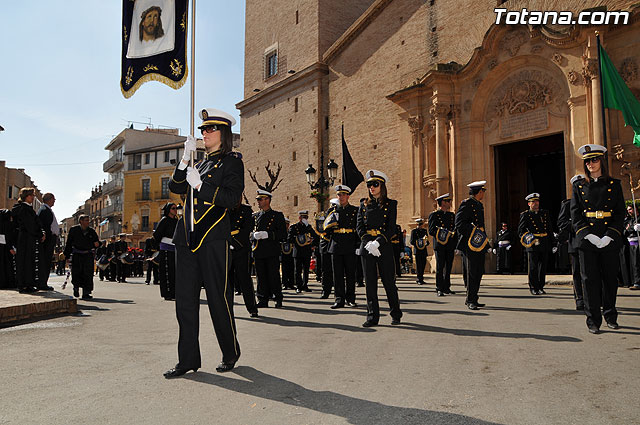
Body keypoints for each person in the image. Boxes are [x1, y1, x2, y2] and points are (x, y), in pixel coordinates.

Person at [164, 108, 244, 378]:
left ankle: (230, 351)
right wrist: (185, 159)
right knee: (184, 302)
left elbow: (231, 199)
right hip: (186, 239)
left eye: (210, 130)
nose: (205, 134)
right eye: (203, 130)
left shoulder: (232, 163)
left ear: (223, 134)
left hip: (213, 238)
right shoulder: (198, 165)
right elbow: (175, 188)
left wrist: (201, 187)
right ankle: (187, 360)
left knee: (218, 299)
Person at [570, 144, 625, 334]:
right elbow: (575, 215)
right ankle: (593, 319)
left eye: (594, 160)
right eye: (587, 161)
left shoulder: (614, 185)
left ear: (601, 161)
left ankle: (610, 315)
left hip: (608, 237)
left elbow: (619, 214)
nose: (591, 164)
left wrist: (610, 235)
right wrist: (588, 235)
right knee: (589, 280)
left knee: (610, 279)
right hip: (587, 239)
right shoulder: (579, 186)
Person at [356, 170, 402, 327]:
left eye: (375, 184)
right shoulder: (363, 205)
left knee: (389, 281)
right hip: (367, 246)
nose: (372, 187)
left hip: (383, 246)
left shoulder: (391, 204)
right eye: (369, 185)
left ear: (382, 186)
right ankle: (372, 316)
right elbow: (359, 227)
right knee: (370, 283)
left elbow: (391, 228)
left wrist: (378, 242)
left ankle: (396, 313)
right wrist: (368, 243)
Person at [455, 181, 489, 310]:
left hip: (479, 242)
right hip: (470, 243)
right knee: (472, 272)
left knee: (479, 271)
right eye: (483, 192)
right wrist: (472, 231)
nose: (483, 194)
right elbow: (459, 223)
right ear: (479, 192)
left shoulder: (479, 205)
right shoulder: (466, 204)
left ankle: (474, 297)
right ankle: (470, 300)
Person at [325, 185, 359, 309]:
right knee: (337, 274)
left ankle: (351, 299)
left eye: (343, 195)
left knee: (350, 274)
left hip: (350, 244)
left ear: (348, 196)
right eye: (339, 195)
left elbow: (358, 229)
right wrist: (332, 225)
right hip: (336, 244)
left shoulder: (355, 211)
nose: (341, 197)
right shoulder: (332, 211)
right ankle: (339, 299)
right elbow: (325, 231)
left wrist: (358, 245)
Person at [252, 190, 287, 308]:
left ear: (267, 200)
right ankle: (262, 299)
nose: (258, 201)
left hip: (271, 250)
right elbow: (249, 231)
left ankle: (277, 297)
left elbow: (283, 234)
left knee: (273, 275)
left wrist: (268, 234)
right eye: (258, 199)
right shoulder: (256, 216)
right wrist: (253, 235)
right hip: (258, 250)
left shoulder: (277, 216)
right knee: (260, 276)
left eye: (260, 199)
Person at [557, 174, 585, 310]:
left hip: (591, 242)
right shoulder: (568, 204)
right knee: (578, 273)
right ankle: (580, 298)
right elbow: (561, 222)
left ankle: (595, 298)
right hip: (575, 243)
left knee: (592, 272)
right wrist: (578, 226)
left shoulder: (590, 201)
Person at [518, 193, 554, 295]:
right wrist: (529, 239)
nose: (536, 204)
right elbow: (521, 231)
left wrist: (553, 242)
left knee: (542, 266)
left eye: (537, 201)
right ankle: (533, 287)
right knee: (533, 266)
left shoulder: (544, 213)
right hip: (533, 243)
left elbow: (549, 228)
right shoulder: (525, 215)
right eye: (533, 202)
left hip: (544, 241)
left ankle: (541, 286)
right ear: (529, 204)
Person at [11, 188, 44, 294]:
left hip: (29, 237)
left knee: (29, 261)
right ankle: (23, 285)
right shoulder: (23, 208)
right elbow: (30, 225)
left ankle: (29, 284)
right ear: (26, 196)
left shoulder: (26, 208)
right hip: (25, 238)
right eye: (31, 195)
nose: (33, 197)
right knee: (24, 261)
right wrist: (40, 234)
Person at [229, 200, 258, 317]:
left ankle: (252, 308)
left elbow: (247, 229)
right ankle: (228, 309)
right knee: (228, 282)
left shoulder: (246, 210)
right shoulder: (224, 209)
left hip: (241, 249)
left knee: (245, 279)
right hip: (227, 248)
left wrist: (235, 242)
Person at [63, 215, 100, 299]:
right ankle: (76, 288)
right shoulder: (74, 230)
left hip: (88, 255)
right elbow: (69, 243)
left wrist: (97, 244)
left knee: (88, 274)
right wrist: (67, 255)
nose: (88, 222)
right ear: (81, 221)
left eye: (88, 220)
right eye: (86, 220)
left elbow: (97, 242)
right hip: (77, 255)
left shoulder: (91, 231)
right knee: (76, 273)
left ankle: (86, 292)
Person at [428, 193, 457, 296]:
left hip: (449, 245)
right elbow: (431, 230)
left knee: (448, 266)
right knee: (440, 267)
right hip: (440, 244)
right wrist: (443, 233)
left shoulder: (451, 216)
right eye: (448, 201)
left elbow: (455, 229)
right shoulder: (434, 215)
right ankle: (439, 287)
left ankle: (447, 287)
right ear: (443, 203)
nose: (450, 203)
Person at [153, 202, 178, 301]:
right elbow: (157, 235)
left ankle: (174, 292)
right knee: (167, 272)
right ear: (168, 210)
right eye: (173, 208)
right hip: (166, 248)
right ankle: (167, 293)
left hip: (175, 248)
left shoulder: (177, 221)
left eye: (176, 208)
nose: (175, 210)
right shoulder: (164, 221)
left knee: (174, 272)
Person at [289, 210, 317, 294]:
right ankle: (298, 286)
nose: (304, 219)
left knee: (306, 270)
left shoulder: (308, 227)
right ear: (299, 218)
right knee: (297, 270)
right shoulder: (294, 227)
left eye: (306, 217)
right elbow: (289, 238)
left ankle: (305, 285)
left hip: (306, 251)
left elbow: (315, 236)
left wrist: (312, 243)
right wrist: (298, 239)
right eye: (303, 217)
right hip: (298, 251)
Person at [36, 193, 58, 290]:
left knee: (46, 261)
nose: (54, 201)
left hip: (49, 239)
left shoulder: (46, 210)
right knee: (45, 261)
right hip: (47, 240)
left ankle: (43, 282)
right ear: (49, 199)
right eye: (53, 199)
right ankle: (42, 283)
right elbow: (44, 226)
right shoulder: (45, 211)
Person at [0, 209, 17, 288]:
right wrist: (10, 247)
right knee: (8, 266)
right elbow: (8, 237)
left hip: (2, 248)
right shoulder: (8, 225)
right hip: (6, 249)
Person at [410, 218, 429, 285]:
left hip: (423, 250)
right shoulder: (414, 231)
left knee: (423, 264)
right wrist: (418, 243)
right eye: (419, 225)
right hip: (417, 250)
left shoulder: (424, 231)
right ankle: (418, 279)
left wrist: (426, 242)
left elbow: (427, 240)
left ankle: (421, 278)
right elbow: (412, 241)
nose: (420, 226)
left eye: (421, 224)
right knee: (419, 265)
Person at [280, 219, 295, 290]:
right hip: (283, 252)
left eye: (287, 224)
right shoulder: (281, 232)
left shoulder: (290, 231)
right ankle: (284, 283)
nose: (286, 225)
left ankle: (291, 283)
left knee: (291, 268)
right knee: (284, 268)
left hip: (291, 252)